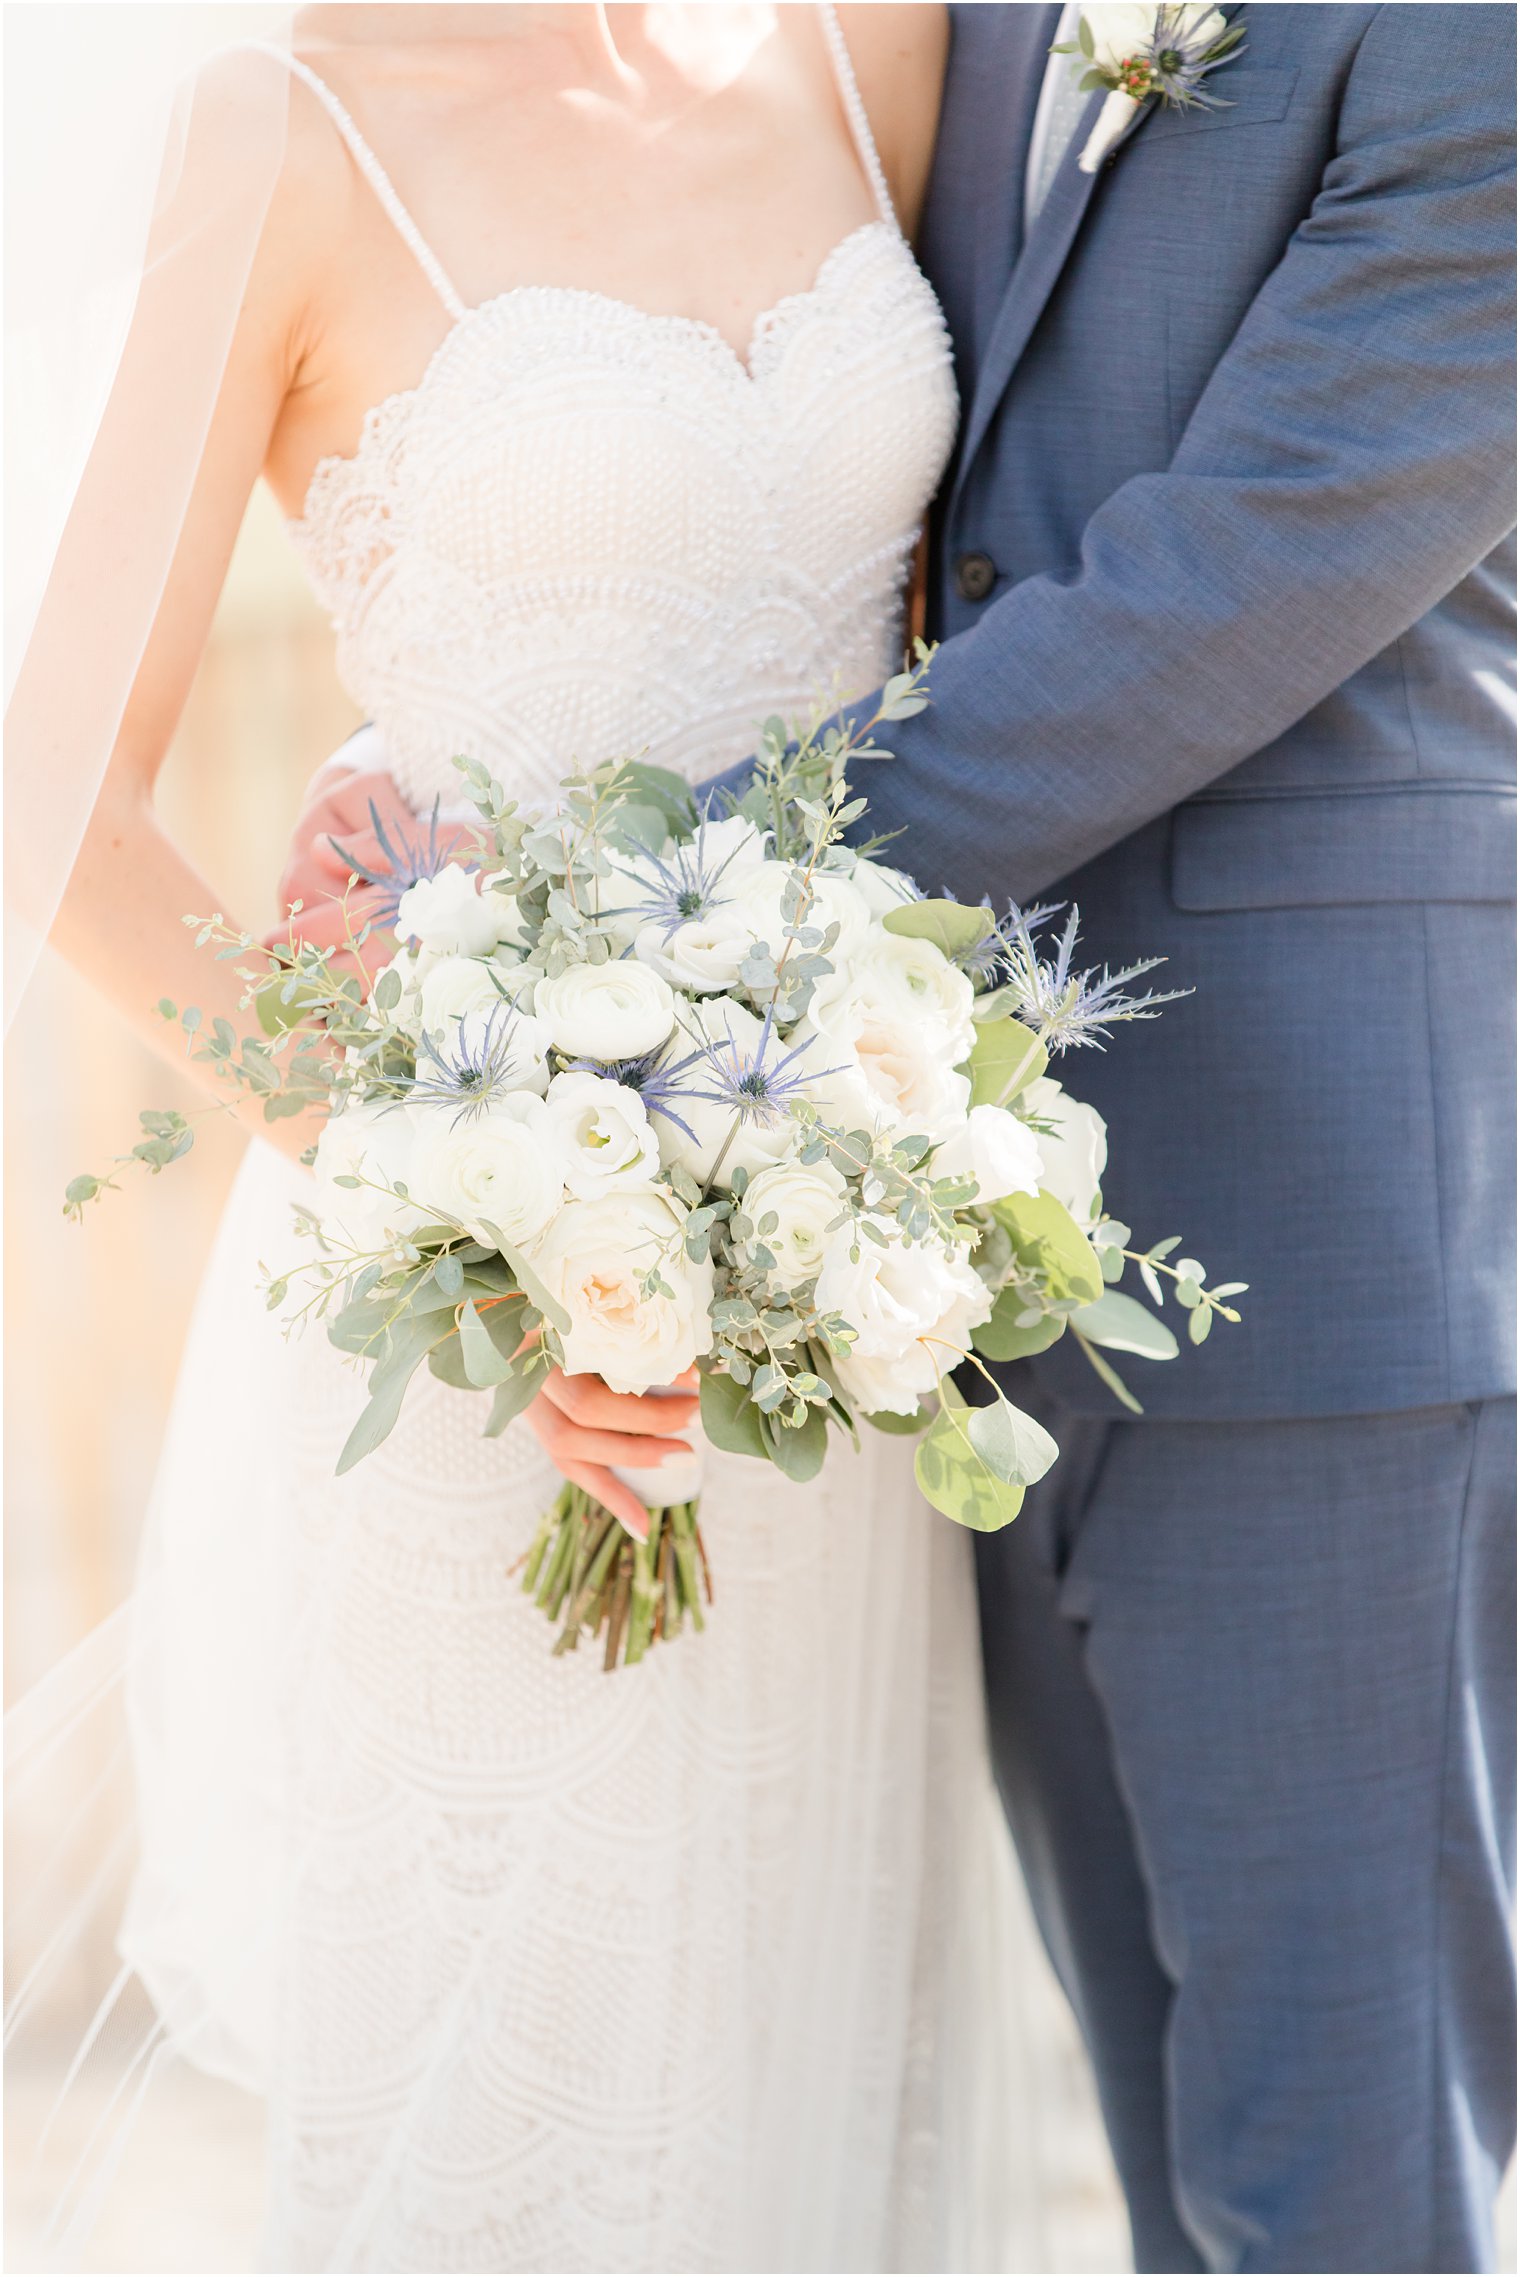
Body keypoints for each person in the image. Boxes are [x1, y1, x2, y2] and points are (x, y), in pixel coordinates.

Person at [284, 4, 1518, 2270]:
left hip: (1316, 1220)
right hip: (927, 1247)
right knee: (1163, 2148)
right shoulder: (942, 16)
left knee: (1335, 2185)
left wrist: (630, 906)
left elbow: (1234, 573)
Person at [25, 6, 1050, 2268]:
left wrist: (803, 1196)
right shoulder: (278, 127)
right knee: (514, 2128)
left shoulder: (853, 51)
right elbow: (55, 804)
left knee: (799, 2097)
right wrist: (505, 1218)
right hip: (485, 1359)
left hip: (823, 1312)